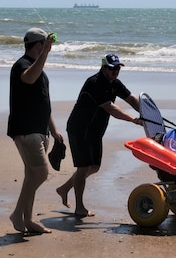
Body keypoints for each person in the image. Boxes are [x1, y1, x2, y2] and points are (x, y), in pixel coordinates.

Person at [57, 53, 142, 218]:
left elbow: (131, 99)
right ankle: (79, 208)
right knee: (83, 168)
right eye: (111, 68)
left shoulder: (115, 83)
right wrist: (133, 119)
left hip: (95, 131)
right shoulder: (94, 83)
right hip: (80, 129)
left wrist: (147, 112)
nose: (115, 71)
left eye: (117, 68)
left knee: (94, 167)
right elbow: (111, 108)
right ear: (103, 67)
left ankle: (64, 188)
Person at [8, 27, 64, 234]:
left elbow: (43, 103)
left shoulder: (38, 68)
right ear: (38, 44)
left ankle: (28, 220)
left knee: (31, 175)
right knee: (41, 173)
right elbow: (29, 78)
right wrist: (46, 54)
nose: (46, 48)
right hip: (25, 129)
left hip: (40, 130)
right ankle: (17, 213)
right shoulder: (22, 65)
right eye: (44, 45)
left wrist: (54, 129)